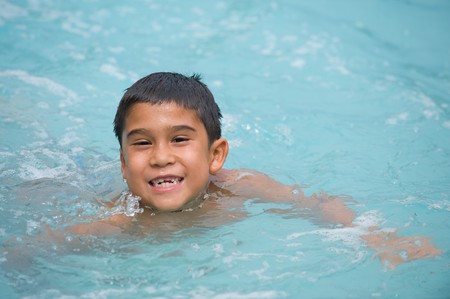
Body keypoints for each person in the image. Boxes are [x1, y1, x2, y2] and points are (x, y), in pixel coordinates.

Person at [71, 72, 440, 269]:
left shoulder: (242, 186)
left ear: (216, 155)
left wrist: (374, 235)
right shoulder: (113, 221)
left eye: (180, 139)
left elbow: (316, 203)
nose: (160, 157)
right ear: (122, 164)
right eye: (141, 143)